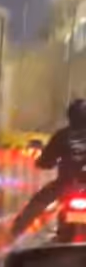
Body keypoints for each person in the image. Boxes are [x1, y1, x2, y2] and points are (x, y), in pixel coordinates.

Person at [10, 99, 86, 239]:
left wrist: (42, 162)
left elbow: (46, 161)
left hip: (66, 184)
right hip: (68, 184)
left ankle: (13, 235)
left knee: (37, 203)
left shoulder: (62, 135)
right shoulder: (62, 135)